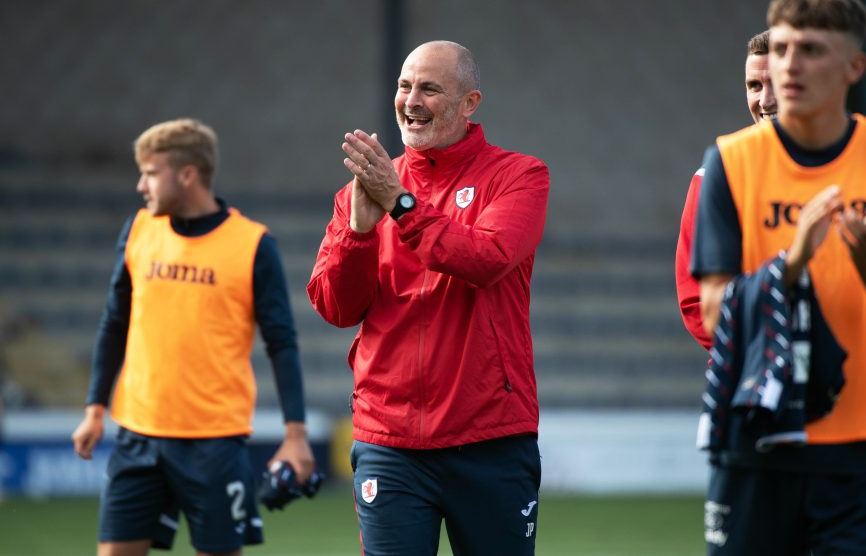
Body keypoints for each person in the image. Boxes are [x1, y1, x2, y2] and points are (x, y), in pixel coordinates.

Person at [308, 40, 549, 555]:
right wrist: (358, 234)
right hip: (389, 442)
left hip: (490, 437)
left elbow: (485, 259)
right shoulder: (360, 192)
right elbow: (335, 307)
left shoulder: (519, 176)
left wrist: (401, 205)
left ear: (470, 103)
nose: (411, 100)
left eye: (430, 89)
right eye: (404, 86)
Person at [692, 0, 866, 554]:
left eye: (811, 50)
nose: (790, 66)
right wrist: (789, 266)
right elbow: (714, 312)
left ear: (854, 67)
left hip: (864, 447)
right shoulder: (729, 161)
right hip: (756, 445)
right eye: (784, 48)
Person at [71, 118, 316, 556]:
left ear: (187, 175)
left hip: (214, 443)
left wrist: (294, 434)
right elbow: (114, 322)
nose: (139, 186)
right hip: (137, 436)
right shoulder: (138, 231)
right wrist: (95, 408)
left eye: (149, 173)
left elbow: (281, 342)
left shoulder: (253, 244)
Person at [675, 30, 778, 350]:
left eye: (775, 83)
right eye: (754, 86)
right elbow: (695, 303)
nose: (765, 101)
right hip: (746, 379)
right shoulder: (715, 173)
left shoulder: (846, 164)